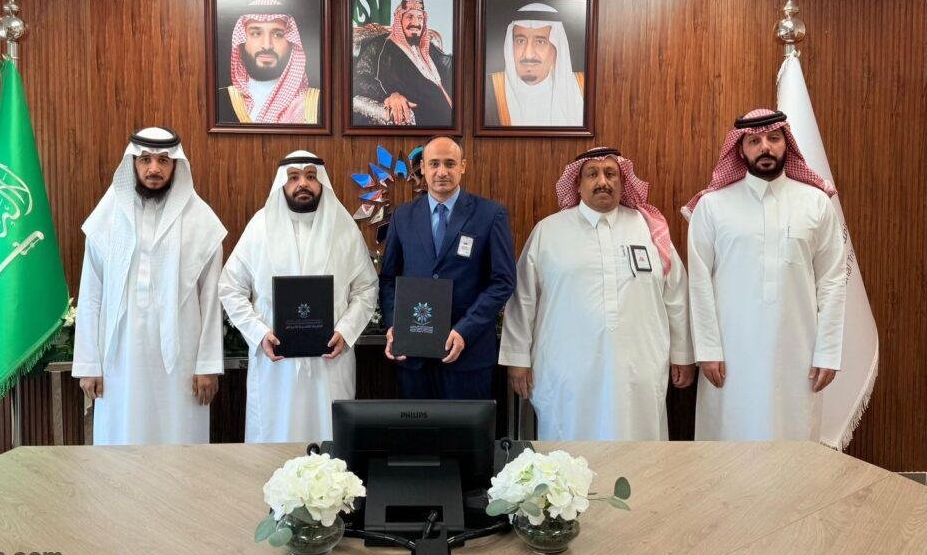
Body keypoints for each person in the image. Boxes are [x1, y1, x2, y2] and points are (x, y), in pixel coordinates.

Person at [500, 147, 694, 440]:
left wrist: (682, 354)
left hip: (639, 365)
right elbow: (523, 298)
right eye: (592, 174)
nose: (603, 181)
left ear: (623, 182)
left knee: (639, 443)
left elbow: (676, 295)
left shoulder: (649, 228)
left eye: (611, 174)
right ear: (577, 185)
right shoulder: (549, 231)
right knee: (569, 446)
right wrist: (517, 358)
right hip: (566, 367)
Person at [684, 109, 846, 441]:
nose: (765, 147)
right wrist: (708, 350)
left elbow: (832, 280)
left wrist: (828, 352)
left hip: (798, 351)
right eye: (754, 141)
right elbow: (699, 283)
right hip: (730, 354)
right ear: (740, 149)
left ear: (787, 144)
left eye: (773, 138)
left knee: (794, 443)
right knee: (730, 440)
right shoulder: (712, 206)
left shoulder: (816, 203)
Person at [73, 127, 226, 445]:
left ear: (176, 165)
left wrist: (208, 364)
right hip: (120, 361)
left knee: (179, 443)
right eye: (145, 160)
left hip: (182, 363)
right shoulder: (106, 218)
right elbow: (90, 295)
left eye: (163, 160)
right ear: (132, 163)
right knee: (121, 444)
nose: (154, 169)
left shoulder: (201, 222)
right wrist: (88, 365)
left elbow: (212, 299)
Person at [219, 151, 378, 443]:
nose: (302, 183)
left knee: (330, 441)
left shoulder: (343, 227)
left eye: (310, 176)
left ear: (321, 182)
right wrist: (259, 333)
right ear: (283, 183)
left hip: (330, 362)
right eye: (293, 177)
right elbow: (230, 287)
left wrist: (346, 331)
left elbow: (366, 288)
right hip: (276, 364)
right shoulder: (260, 227)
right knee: (273, 442)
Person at [380, 136, 516, 399]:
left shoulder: (490, 214)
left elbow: (503, 281)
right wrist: (395, 325)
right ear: (422, 168)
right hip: (413, 357)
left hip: (468, 356)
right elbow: (388, 279)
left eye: (450, 163)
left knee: (465, 427)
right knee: (417, 427)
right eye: (434, 164)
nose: (441, 171)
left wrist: (465, 330)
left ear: (463, 166)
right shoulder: (402, 216)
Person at [352, 0, 454, 126]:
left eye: (420, 18)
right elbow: (360, 78)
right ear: (399, 20)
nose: (416, 23)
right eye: (409, 17)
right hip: (424, 120)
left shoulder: (430, 47)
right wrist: (390, 96)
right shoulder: (380, 45)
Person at [484, 2, 584, 126]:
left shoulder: (582, 88)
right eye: (520, 41)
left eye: (540, 42)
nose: (528, 54)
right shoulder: (489, 89)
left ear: (556, 48)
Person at [225, 0, 320, 124]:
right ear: (242, 41)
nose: (267, 45)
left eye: (277, 35)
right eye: (256, 33)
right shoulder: (221, 100)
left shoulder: (316, 103)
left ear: (291, 42)